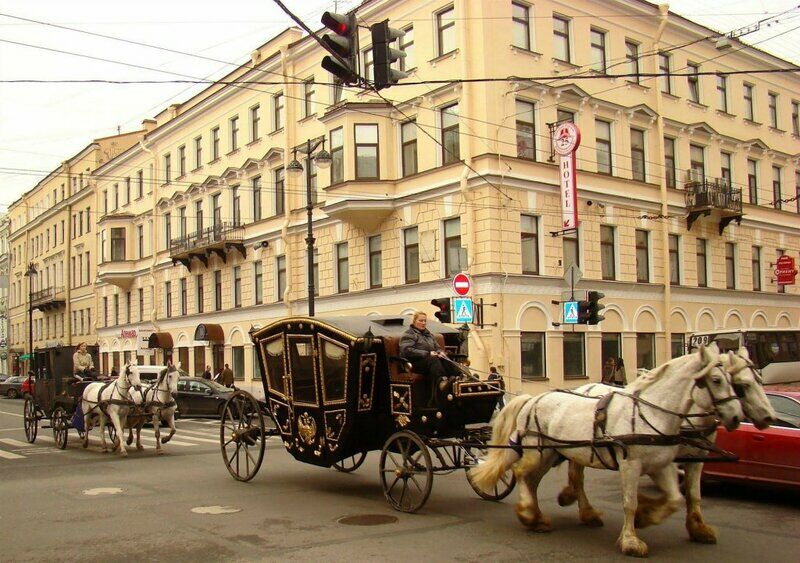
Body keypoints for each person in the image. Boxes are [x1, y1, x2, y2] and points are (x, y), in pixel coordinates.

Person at [399, 311, 462, 404]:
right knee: (433, 359)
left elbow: (437, 347)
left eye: (425, 321)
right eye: (421, 320)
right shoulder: (409, 334)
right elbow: (406, 350)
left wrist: (440, 352)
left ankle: (459, 377)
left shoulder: (429, 335)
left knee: (444, 358)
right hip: (415, 364)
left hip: (429, 362)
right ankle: (442, 381)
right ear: (414, 321)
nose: (423, 323)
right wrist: (427, 353)